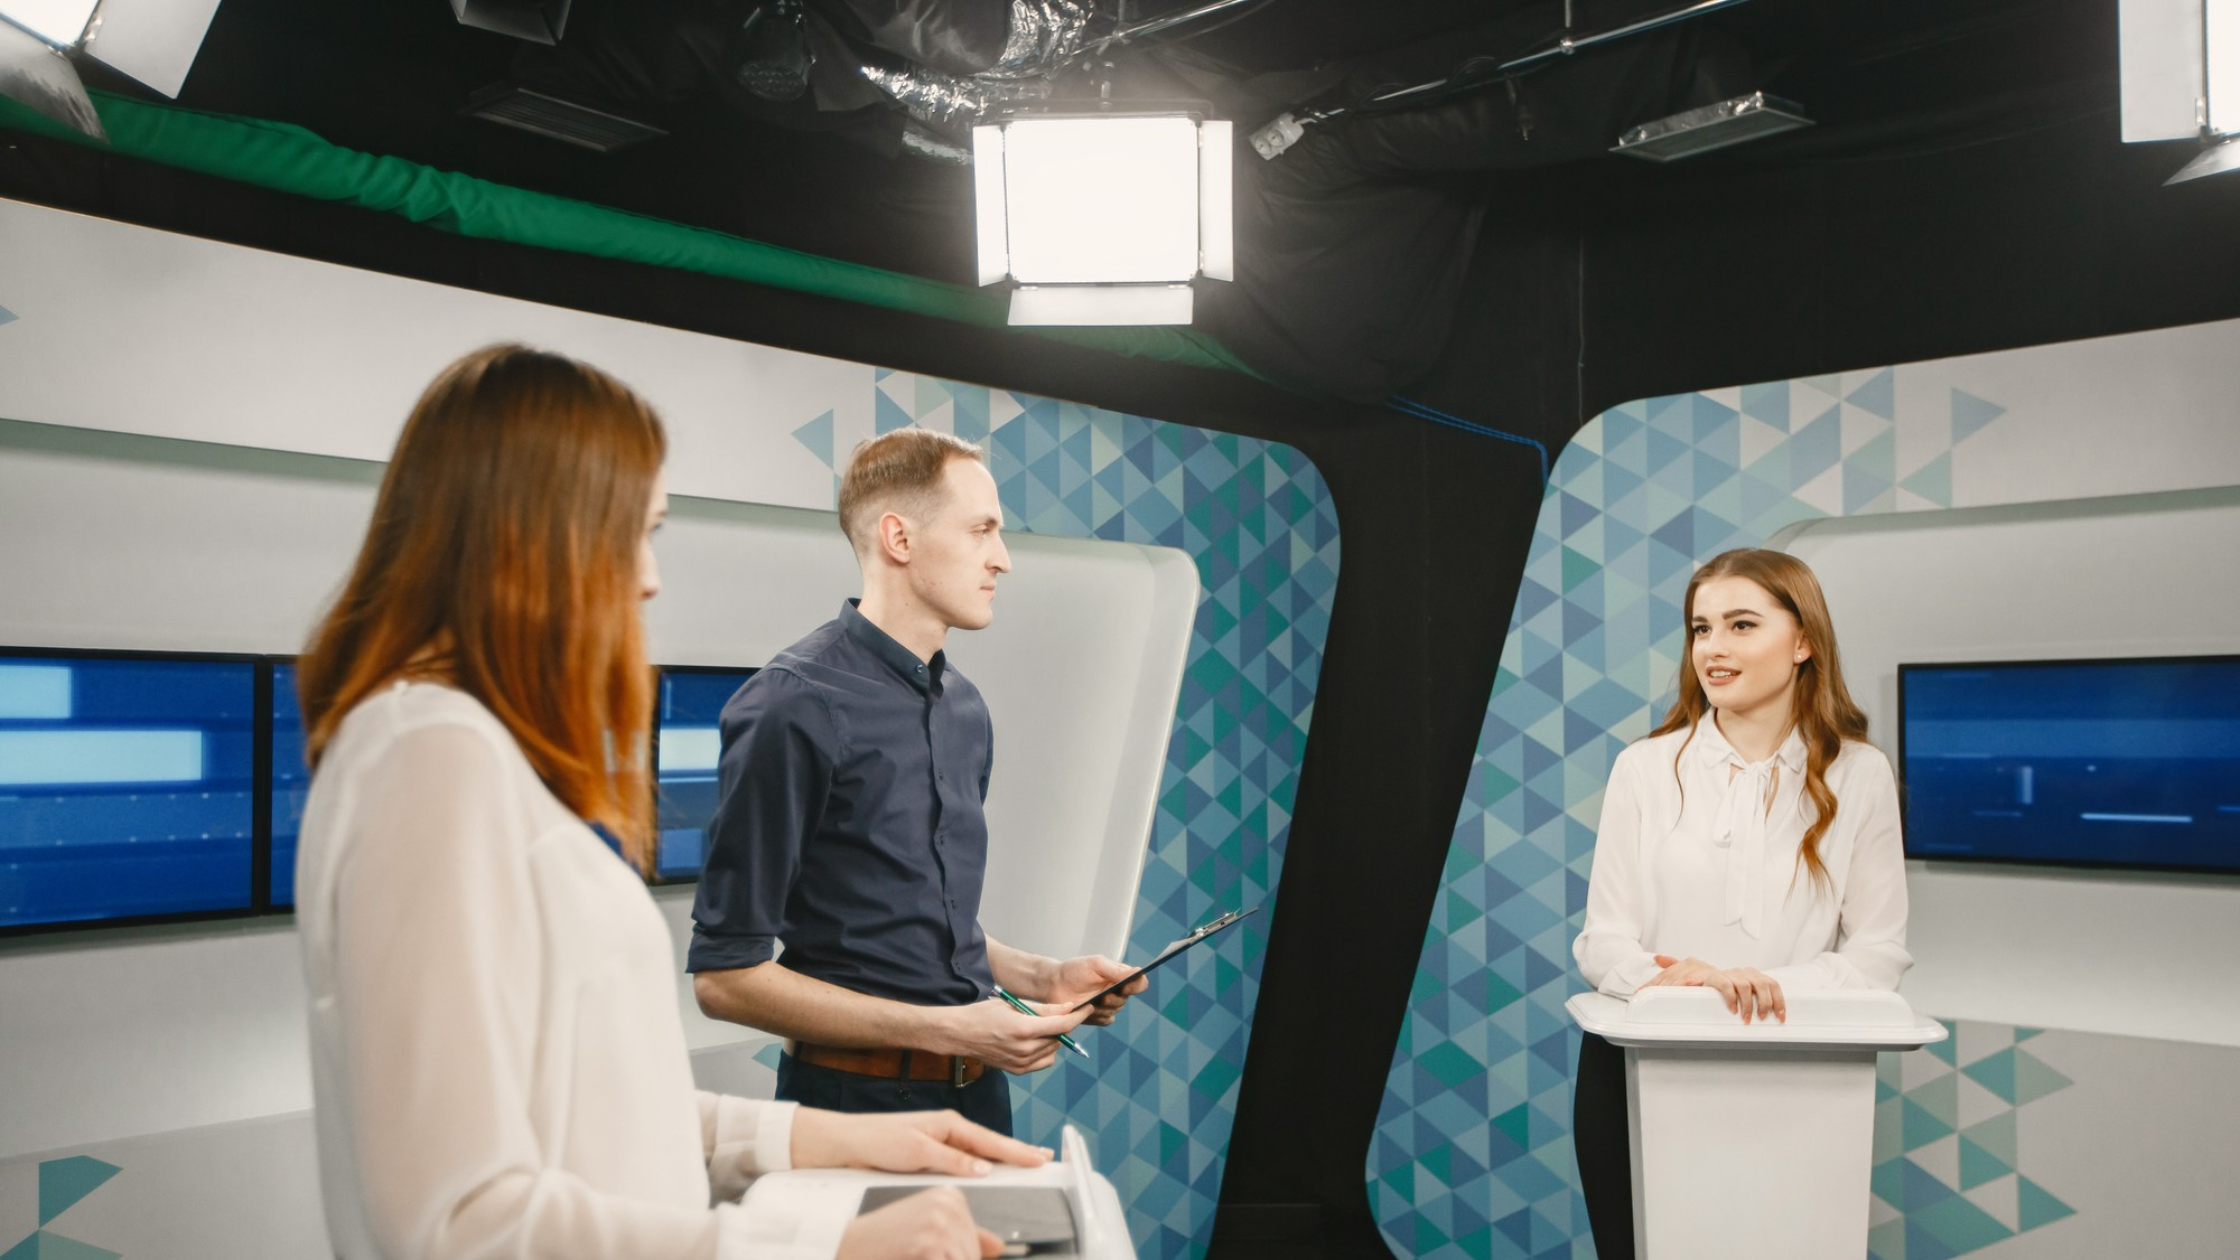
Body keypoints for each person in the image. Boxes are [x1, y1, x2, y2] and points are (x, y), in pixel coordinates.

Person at [293, 345, 1048, 1260]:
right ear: (533, 532)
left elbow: (598, 1102)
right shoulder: (429, 758)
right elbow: (458, 1224)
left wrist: (831, 1140)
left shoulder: (460, 752)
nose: (649, 577)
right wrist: (819, 1249)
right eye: (637, 530)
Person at [687, 428, 1147, 1137]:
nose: (1003, 558)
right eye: (981, 530)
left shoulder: (965, 708)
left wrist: (1041, 977)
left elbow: (918, 921)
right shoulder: (791, 704)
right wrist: (952, 1029)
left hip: (980, 1097)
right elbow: (725, 979)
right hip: (850, 1107)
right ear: (899, 538)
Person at [1569, 547, 1911, 1259]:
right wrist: (1688, 984)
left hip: (1799, 1075)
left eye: (1741, 625)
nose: (1713, 649)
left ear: (1803, 641)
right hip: (1639, 1072)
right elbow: (1603, 943)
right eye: (1701, 629)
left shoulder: (1861, 773)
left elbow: (1879, 955)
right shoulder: (1644, 768)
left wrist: (1760, 986)